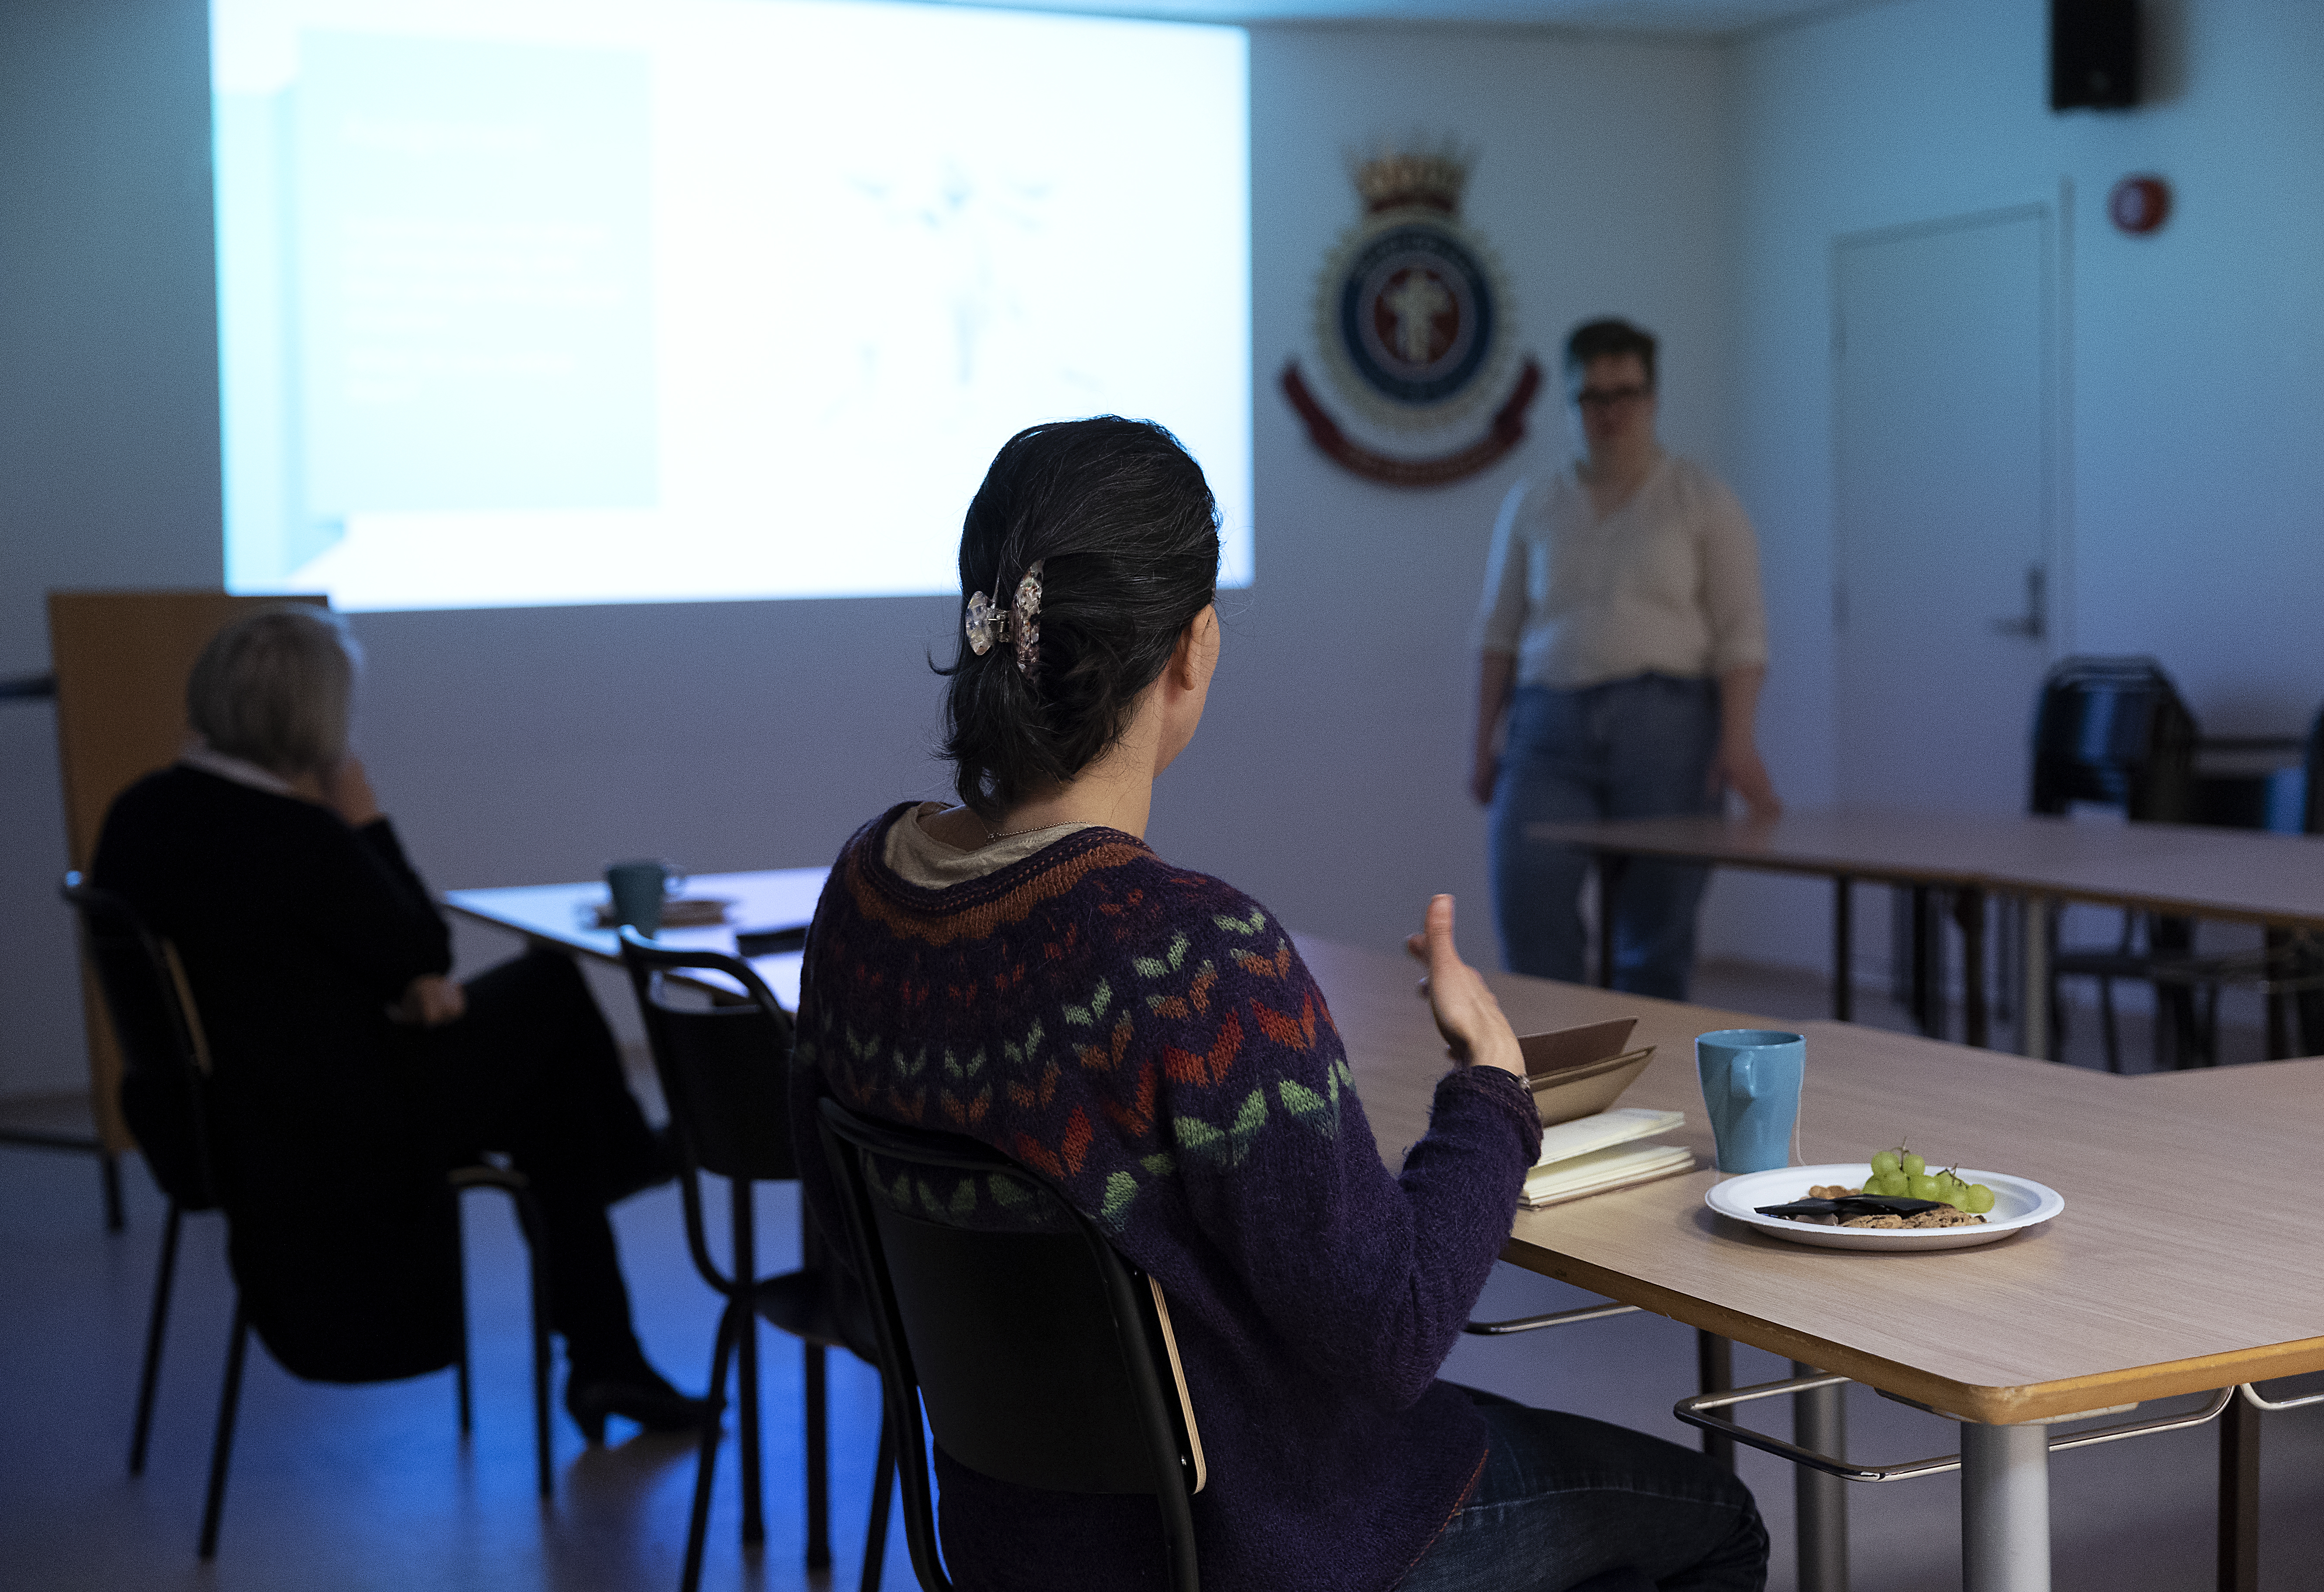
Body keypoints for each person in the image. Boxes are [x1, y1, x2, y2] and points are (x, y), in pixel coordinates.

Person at [788, 417, 1766, 1591]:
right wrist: (1493, 1093)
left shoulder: (864, 893)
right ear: (1193, 650)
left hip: (1010, 1547)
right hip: (1265, 1544)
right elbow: (1391, 1333)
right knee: (1713, 1518)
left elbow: (855, 1286)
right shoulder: (1189, 959)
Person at [92, 606, 699, 1441]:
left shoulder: (141, 815)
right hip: (339, 1128)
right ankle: (622, 1177)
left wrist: (400, 986)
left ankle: (608, 1361)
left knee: (553, 1103)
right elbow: (422, 942)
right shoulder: (299, 836)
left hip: (242, 1114)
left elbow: (273, 962)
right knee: (551, 989)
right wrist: (364, 817)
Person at [1471, 319, 1779, 999]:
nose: (1609, 411)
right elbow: (1499, 632)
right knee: (1530, 908)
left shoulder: (1702, 498)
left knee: (1656, 934)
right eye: (1592, 396)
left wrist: (1737, 740)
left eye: (1626, 393)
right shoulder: (1535, 503)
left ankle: (1653, 1084)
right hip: (1547, 727)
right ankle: (1545, 1078)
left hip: (1667, 726)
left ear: (1653, 398)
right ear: (1571, 402)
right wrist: (1483, 745)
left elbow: (1741, 633)